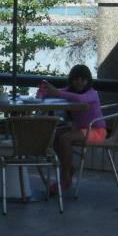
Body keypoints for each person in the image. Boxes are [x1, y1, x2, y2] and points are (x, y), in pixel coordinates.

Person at [38, 64, 105, 194]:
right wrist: (44, 91)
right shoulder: (70, 91)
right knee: (55, 135)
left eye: (83, 79)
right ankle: (69, 168)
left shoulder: (92, 93)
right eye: (76, 79)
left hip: (96, 131)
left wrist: (56, 92)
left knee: (66, 139)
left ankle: (64, 179)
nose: (79, 82)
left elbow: (79, 99)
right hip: (79, 129)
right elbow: (57, 93)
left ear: (88, 80)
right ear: (71, 80)